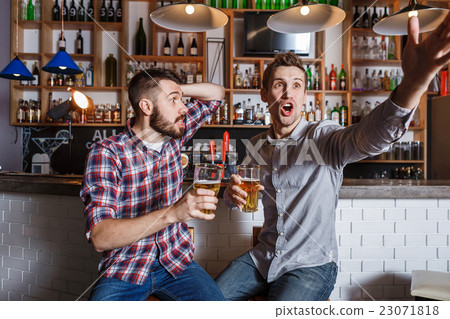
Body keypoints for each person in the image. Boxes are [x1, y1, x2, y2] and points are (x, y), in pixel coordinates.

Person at [215, 13, 450, 301]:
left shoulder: (323, 137)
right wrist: (230, 193)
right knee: (205, 301)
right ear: (264, 93)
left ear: (305, 97)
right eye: (278, 84)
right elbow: (237, 198)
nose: (288, 91)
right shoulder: (255, 145)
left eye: (297, 85)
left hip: (311, 266)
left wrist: (413, 84)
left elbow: (369, 136)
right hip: (262, 260)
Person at [80, 68, 226, 301]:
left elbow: (217, 94)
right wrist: (173, 213)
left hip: (177, 263)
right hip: (125, 269)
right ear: (147, 107)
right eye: (174, 101)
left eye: (181, 100)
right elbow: (100, 237)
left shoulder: (174, 135)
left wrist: (174, 90)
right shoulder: (108, 152)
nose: (184, 108)